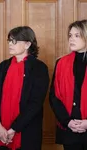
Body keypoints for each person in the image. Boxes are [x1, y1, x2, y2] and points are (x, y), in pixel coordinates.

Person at [0, 26, 49, 150]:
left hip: (27, 134)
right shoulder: (3, 66)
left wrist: (13, 129)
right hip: (1, 133)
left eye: (15, 41)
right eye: (9, 40)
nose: (10, 44)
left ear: (27, 44)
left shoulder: (39, 68)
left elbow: (35, 103)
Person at [49, 20, 87, 150]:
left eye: (77, 35)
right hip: (70, 130)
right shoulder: (61, 63)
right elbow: (54, 97)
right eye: (70, 35)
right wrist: (68, 122)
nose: (71, 39)